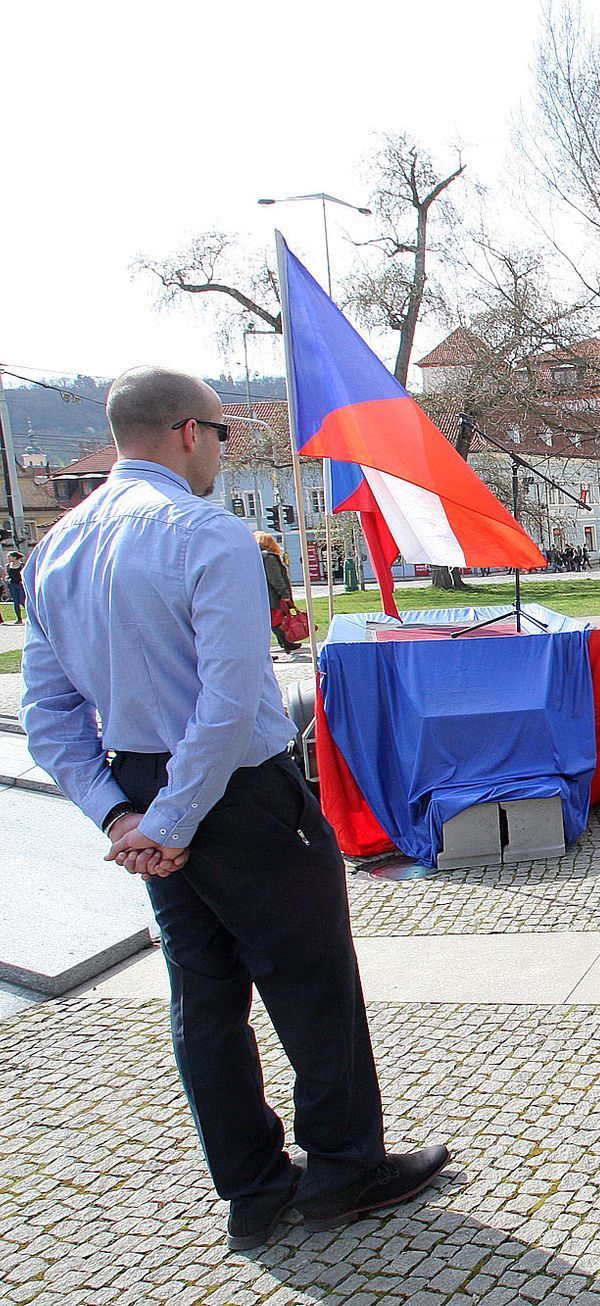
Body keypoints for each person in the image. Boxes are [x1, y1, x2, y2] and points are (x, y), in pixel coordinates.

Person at [20, 366, 447, 1251]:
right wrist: (163, 823)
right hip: (232, 795)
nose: (224, 448)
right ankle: (344, 1167)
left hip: (142, 790)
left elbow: (49, 720)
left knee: (204, 996)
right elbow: (223, 705)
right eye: (221, 432)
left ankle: (251, 1187)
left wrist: (122, 819)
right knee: (312, 980)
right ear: (186, 432)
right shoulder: (204, 534)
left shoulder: (54, 549)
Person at [255, 531, 300, 655]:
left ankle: (284, 643)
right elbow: (275, 578)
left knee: (272, 621)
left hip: (264, 595)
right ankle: (286, 643)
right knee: (276, 621)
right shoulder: (269, 558)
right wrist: (284, 593)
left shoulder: (258, 557)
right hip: (272, 596)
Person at [4, 548, 25, 623]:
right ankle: (19, 619)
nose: (8, 558)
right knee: (15, 602)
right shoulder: (8, 566)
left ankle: (31, 615)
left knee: (22, 601)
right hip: (12, 585)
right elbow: (8, 575)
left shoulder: (22, 565)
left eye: (9, 556)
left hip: (20, 585)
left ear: (15, 557)